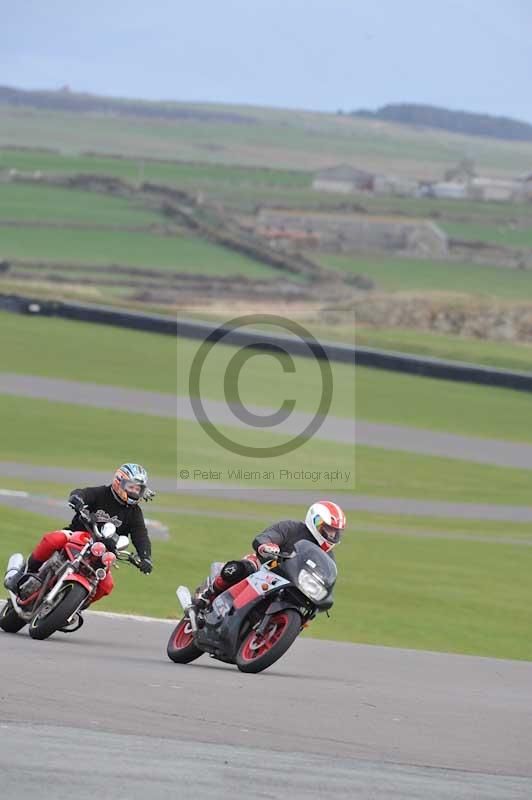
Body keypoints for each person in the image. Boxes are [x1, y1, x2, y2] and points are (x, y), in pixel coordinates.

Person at [4, 463, 155, 604]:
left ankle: (77, 606)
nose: (134, 492)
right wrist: (77, 499)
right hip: (78, 534)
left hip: (101, 552)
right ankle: (23, 574)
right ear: (119, 481)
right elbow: (81, 493)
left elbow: (140, 535)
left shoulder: (135, 513)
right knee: (52, 540)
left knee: (106, 585)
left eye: (138, 489)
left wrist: (145, 558)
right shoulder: (102, 493)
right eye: (131, 487)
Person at [195, 500, 346, 608]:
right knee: (241, 568)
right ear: (315, 521)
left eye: (335, 531)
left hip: (292, 584)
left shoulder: (328, 556)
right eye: (328, 528)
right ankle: (208, 593)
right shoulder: (291, 527)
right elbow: (267, 536)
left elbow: (324, 577)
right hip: (265, 566)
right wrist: (267, 545)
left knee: (307, 608)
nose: (332, 534)